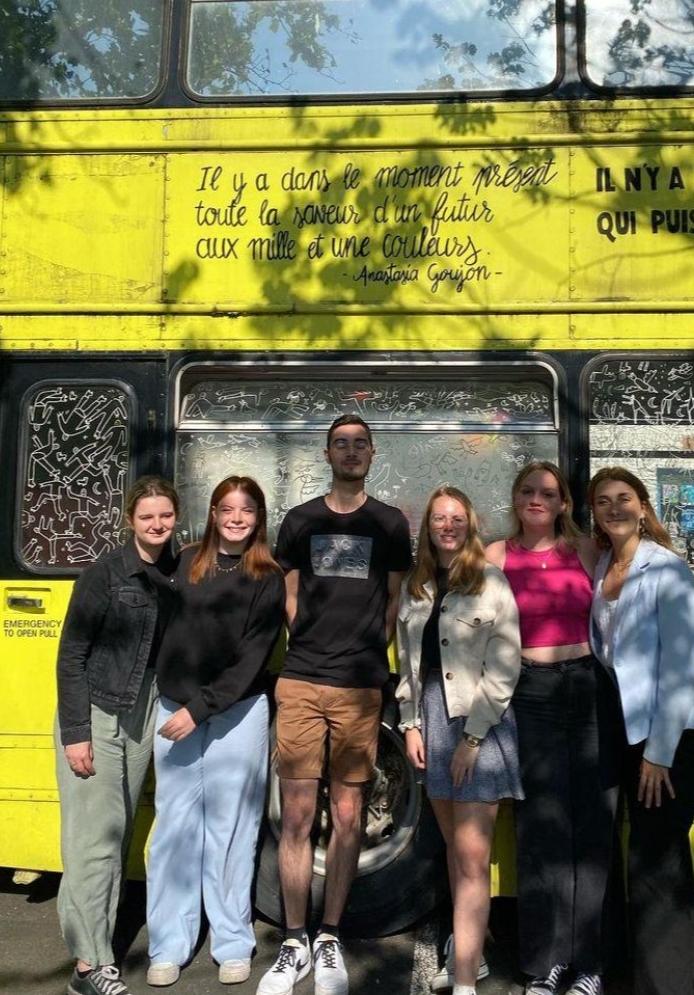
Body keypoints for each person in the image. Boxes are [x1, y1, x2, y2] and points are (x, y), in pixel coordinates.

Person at [256, 415, 412, 995]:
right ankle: (294, 939)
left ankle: (329, 937)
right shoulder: (300, 520)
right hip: (301, 681)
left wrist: (367, 648)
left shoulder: (390, 522)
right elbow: (289, 591)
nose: (350, 452)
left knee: (348, 817)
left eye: (359, 445)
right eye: (340, 444)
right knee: (297, 818)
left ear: (372, 454)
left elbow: (393, 598)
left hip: (360, 688)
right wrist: (311, 639)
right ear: (327, 454)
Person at [146, 476, 285, 987]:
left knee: (232, 830)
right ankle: (168, 944)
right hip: (175, 709)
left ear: (259, 517)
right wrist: (175, 700)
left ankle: (231, 942)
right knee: (174, 828)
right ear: (212, 513)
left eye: (246, 510)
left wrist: (199, 709)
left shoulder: (268, 576)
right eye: (227, 508)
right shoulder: (184, 562)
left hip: (236, 713)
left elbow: (252, 658)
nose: (236, 518)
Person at [588, 467, 694, 995]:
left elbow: (681, 670)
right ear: (594, 513)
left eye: (624, 498)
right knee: (655, 860)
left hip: (677, 737)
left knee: (654, 863)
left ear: (643, 507)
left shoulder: (667, 569)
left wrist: (658, 754)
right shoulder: (604, 564)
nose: (614, 508)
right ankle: (667, 980)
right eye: (603, 501)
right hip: (633, 733)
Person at [485, 462, 617, 995]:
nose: (535, 499)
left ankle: (589, 966)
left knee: (593, 826)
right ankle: (547, 964)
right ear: (515, 499)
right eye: (526, 491)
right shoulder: (495, 556)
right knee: (541, 827)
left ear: (564, 503)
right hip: (529, 692)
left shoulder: (585, 550)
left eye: (547, 492)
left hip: (588, 689)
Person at [54, 476, 180, 995]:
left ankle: (96, 954)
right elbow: (71, 656)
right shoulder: (104, 574)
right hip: (98, 709)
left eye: (165, 515)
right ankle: (90, 967)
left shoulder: (175, 572)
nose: (157, 524)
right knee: (94, 843)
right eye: (147, 516)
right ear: (131, 520)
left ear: (176, 517)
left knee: (118, 833)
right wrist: (76, 733)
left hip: (143, 710)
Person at [397, 486, 523, 995]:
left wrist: (472, 739)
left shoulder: (490, 581)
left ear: (470, 525)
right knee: (455, 849)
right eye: (438, 519)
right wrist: (409, 724)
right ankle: (470, 955)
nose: (447, 526)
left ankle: (465, 981)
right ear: (427, 528)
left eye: (456, 518)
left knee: (472, 858)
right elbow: (408, 663)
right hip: (432, 720)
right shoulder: (418, 585)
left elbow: (505, 665)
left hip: (479, 724)